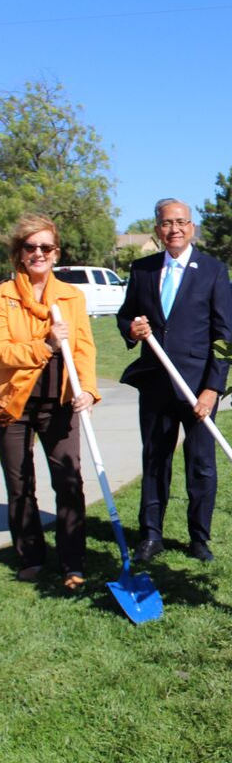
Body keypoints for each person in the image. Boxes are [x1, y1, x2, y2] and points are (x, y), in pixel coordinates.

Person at [117, 198, 232, 563]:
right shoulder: (143, 270)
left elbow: (223, 335)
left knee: (201, 465)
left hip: (198, 388)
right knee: (154, 461)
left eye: (181, 222)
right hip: (155, 384)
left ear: (192, 227)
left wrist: (213, 388)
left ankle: (199, 538)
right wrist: (132, 329)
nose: (174, 229)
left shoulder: (213, 270)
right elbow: (125, 317)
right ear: (157, 229)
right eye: (167, 223)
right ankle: (151, 535)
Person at [0, 214, 99, 589]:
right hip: (14, 403)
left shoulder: (72, 297)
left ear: (56, 252)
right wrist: (45, 345)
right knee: (19, 483)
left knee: (69, 480)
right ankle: (30, 556)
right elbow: (3, 352)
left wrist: (87, 390)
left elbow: (85, 349)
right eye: (30, 247)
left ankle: (73, 560)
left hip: (59, 403)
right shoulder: (4, 296)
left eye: (46, 247)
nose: (38, 253)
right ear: (19, 254)